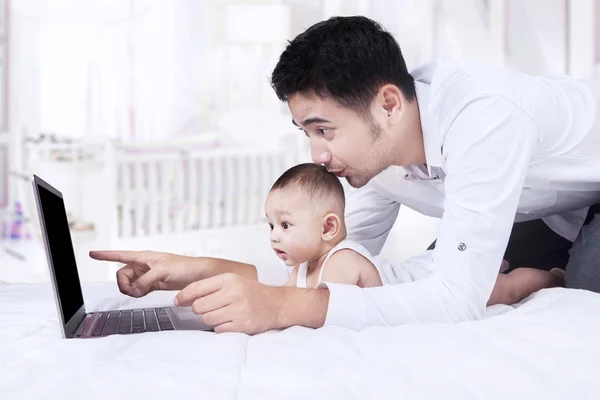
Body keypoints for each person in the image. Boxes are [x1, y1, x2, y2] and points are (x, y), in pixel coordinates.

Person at [91, 16, 600, 334]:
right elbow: (334, 262)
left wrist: (282, 308)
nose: (316, 155)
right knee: (413, 281)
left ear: (388, 104)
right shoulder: (373, 157)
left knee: (580, 284)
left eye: (324, 130)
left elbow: (455, 299)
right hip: (543, 208)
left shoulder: (484, 116)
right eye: (305, 132)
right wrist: (201, 268)